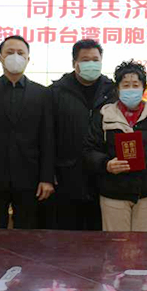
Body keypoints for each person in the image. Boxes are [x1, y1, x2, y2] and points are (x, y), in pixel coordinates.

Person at [0, 35, 55, 229]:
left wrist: (47, 178)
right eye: (10, 52)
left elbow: (47, 139)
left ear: (28, 59)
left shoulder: (42, 93)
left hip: (31, 180)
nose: (16, 56)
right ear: (0, 58)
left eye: (20, 53)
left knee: (28, 235)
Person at [83, 60, 147, 232]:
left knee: (145, 245)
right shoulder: (104, 115)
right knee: (116, 244)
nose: (131, 89)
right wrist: (106, 164)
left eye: (136, 85)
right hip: (113, 193)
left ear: (144, 88)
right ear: (117, 89)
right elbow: (89, 150)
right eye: (126, 85)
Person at [50, 39, 115, 231]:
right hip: (67, 175)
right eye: (85, 60)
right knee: (68, 236)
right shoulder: (56, 92)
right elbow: (48, 136)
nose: (91, 64)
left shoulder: (113, 91)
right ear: (74, 63)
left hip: (103, 175)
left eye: (95, 60)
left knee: (99, 235)